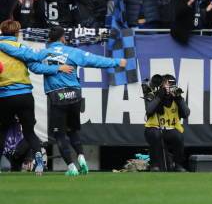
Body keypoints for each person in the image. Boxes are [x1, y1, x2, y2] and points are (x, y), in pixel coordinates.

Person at [0, 26, 127, 176]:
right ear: (63, 38)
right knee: (73, 131)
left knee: (59, 134)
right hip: (75, 95)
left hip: (57, 96)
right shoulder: (72, 52)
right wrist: (116, 61)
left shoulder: (43, 53)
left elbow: (34, 67)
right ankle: (81, 157)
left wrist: (55, 69)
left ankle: (71, 167)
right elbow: (95, 60)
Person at [0, 20, 73, 174]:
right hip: (24, 95)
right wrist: (57, 66)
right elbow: (36, 67)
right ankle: (39, 161)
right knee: (29, 132)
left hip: (4, 96)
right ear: (17, 33)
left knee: (2, 131)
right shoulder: (22, 48)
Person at [144, 74, 190, 172]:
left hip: (171, 129)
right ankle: (154, 165)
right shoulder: (153, 94)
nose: (168, 88)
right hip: (154, 127)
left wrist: (178, 98)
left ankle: (178, 165)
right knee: (155, 135)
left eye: (171, 85)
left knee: (178, 136)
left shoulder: (176, 97)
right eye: (166, 84)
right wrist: (159, 96)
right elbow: (149, 110)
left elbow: (186, 113)